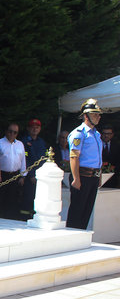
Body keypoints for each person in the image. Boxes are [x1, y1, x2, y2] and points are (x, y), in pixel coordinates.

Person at [66, 98, 103, 229]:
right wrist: (76, 179)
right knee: (77, 210)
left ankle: (81, 236)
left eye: (98, 114)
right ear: (86, 116)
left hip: (93, 177)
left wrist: (99, 176)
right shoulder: (79, 134)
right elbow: (74, 157)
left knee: (87, 210)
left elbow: (99, 158)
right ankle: (71, 236)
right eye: (94, 114)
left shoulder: (96, 134)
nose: (98, 117)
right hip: (82, 176)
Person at [0, 123, 26, 219]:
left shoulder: (20, 144)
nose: (12, 134)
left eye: (15, 132)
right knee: (0, 199)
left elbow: (23, 160)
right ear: (6, 131)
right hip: (2, 175)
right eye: (10, 131)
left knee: (12, 200)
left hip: (15, 175)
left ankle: (10, 219)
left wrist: (23, 176)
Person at [20, 118, 48, 219]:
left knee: (37, 200)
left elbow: (44, 159)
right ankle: (24, 219)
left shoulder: (41, 142)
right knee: (27, 199)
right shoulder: (24, 142)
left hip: (40, 177)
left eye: (37, 127)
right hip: (29, 177)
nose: (35, 129)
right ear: (28, 128)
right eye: (33, 127)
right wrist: (31, 175)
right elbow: (25, 160)